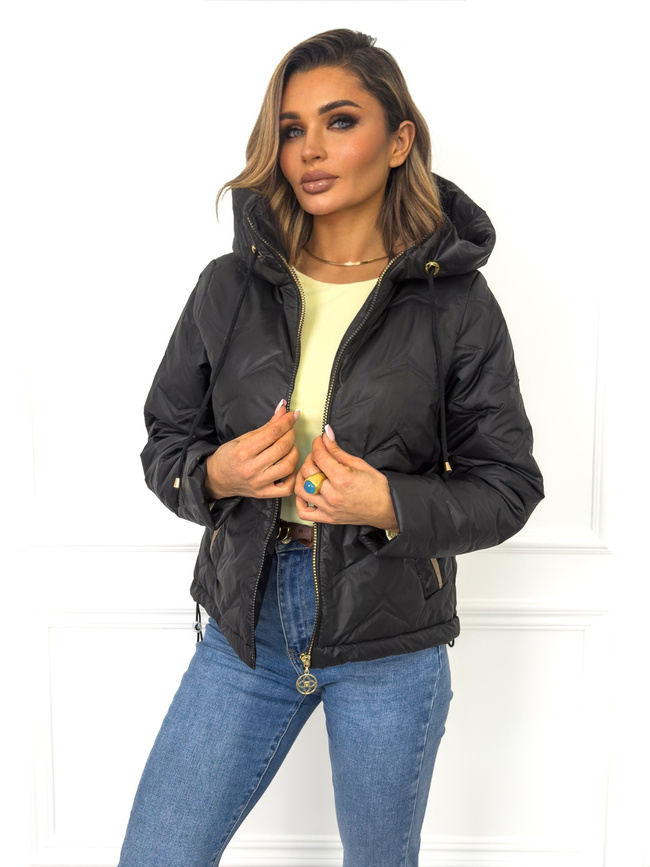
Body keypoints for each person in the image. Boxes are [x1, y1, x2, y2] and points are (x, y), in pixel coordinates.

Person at [118, 28, 544, 867]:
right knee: (157, 853)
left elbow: (507, 485)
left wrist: (387, 501)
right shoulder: (229, 287)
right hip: (248, 626)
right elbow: (165, 441)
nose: (309, 149)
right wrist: (215, 472)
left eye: (339, 121)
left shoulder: (456, 303)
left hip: (391, 635)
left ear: (398, 140)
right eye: (291, 128)